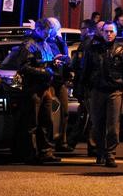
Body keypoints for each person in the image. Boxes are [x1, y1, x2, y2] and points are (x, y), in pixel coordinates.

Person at [81, 21, 123, 167]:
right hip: (97, 91)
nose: (109, 34)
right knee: (97, 124)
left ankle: (110, 155)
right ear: (101, 33)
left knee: (113, 125)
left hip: (114, 91)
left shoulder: (122, 51)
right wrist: (81, 89)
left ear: (116, 33)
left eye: (111, 31)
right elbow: (85, 71)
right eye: (106, 31)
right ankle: (100, 153)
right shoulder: (92, 50)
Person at [17, 18, 60, 164]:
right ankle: (31, 153)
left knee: (46, 122)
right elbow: (23, 67)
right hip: (33, 89)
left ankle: (46, 152)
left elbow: (44, 62)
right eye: (46, 33)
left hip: (45, 87)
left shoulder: (45, 43)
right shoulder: (29, 45)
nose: (48, 35)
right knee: (32, 123)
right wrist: (44, 71)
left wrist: (53, 63)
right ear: (39, 29)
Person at [67, 19, 97, 155]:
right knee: (86, 115)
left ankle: (75, 142)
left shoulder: (87, 44)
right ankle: (82, 144)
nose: (81, 31)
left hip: (86, 85)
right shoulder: (88, 44)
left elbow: (80, 66)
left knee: (87, 115)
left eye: (83, 28)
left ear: (89, 29)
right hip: (85, 85)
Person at [46, 17, 73, 153]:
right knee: (50, 113)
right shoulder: (43, 42)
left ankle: (62, 140)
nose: (55, 31)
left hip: (60, 80)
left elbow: (66, 57)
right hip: (49, 81)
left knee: (64, 111)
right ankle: (49, 142)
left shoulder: (58, 41)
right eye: (53, 28)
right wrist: (53, 61)